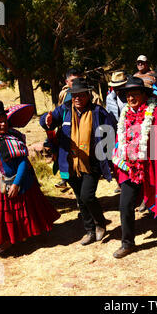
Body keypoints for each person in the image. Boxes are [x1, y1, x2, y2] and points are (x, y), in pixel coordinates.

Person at [0, 100, 60, 255]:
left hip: (13, 180)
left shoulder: (14, 138)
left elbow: (23, 162)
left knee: (18, 212)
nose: (3, 124)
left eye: (4, 121)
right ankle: (2, 240)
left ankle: (15, 239)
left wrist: (17, 183)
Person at [40, 79, 116, 246]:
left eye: (81, 95)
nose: (78, 98)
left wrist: (108, 154)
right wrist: (46, 119)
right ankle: (89, 230)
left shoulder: (98, 112)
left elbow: (111, 132)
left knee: (87, 196)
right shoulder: (65, 110)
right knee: (80, 200)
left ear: (88, 95)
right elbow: (48, 121)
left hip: (92, 163)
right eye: (75, 95)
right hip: (69, 163)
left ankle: (100, 223)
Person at [112, 76, 157, 258]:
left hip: (151, 165)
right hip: (129, 167)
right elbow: (119, 140)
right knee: (125, 205)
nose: (131, 98)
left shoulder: (156, 113)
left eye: (135, 94)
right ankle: (127, 242)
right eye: (128, 95)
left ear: (144, 95)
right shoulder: (124, 114)